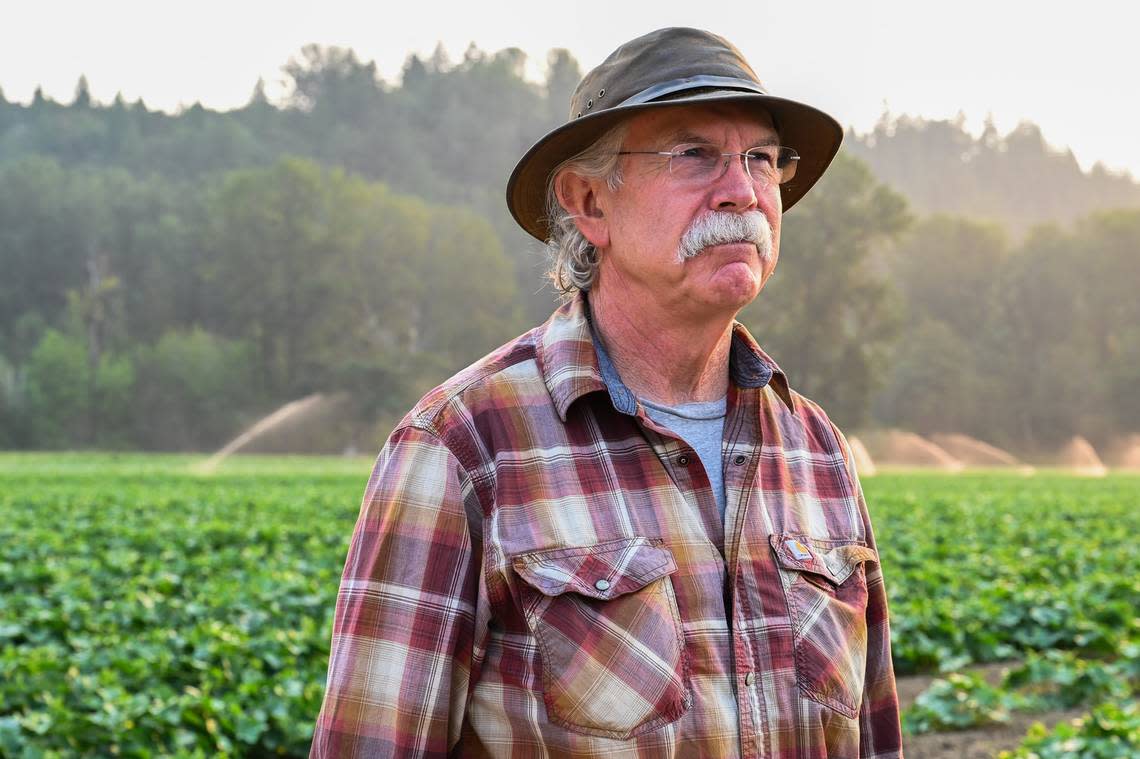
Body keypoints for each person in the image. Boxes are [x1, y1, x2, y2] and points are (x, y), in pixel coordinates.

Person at [311, 27, 902, 758]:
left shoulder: (817, 452)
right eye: (695, 155)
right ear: (589, 201)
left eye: (760, 158)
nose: (743, 191)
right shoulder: (463, 448)